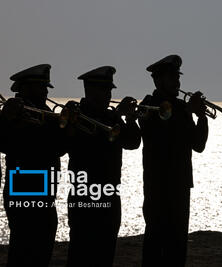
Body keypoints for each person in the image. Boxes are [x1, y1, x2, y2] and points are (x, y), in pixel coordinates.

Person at [65, 66, 141, 267]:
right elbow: (85, 144)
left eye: (109, 91)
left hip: (110, 195)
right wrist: (116, 114)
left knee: (106, 253)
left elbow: (132, 142)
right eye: (104, 91)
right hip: (84, 195)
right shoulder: (76, 115)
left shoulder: (112, 117)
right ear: (90, 91)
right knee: (81, 254)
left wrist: (130, 118)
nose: (108, 95)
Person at [139, 55, 208, 266]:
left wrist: (201, 117)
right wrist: (187, 112)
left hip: (180, 184)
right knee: (156, 241)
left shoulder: (180, 106)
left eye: (177, 77)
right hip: (158, 185)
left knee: (178, 244)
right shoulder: (149, 105)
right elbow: (161, 137)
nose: (177, 82)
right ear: (157, 80)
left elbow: (198, 145)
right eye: (171, 77)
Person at [0, 64, 64, 267]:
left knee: (42, 249)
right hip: (23, 191)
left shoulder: (45, 112)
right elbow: (3, 141)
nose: (46, 92)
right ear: (26, 87)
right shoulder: (11, 112)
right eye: (41, 87)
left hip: (46, 191)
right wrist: (12, 120)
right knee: (23, 250)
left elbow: (60, 148)